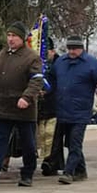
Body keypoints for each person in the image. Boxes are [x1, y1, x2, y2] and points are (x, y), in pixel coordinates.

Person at [0, 21, 44, 188]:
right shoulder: (3, 54)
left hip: (23, 108)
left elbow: (37, 81)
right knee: (0, 140)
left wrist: (26, 98)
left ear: (22, 38)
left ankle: (27, 174)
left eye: (15, 36)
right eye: (9, 35)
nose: (11, 39)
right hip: (2, 105)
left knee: (28, 143)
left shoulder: (32, 57)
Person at [49, 35, 97, 184]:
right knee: (67, 143)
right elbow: (51, 80)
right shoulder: (60, 62)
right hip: (62, 110)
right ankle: (81, 171)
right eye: (69, 48)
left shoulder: (92, 64)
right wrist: (45, 90)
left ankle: (68, 172)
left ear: (81, 49)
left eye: (75, 49)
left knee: (75, 143)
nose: (71, 51)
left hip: (81, 112)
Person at [37, 40, 59, 176]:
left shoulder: (58, 65)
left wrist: (49, 91)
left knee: (51, 134)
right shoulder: (39, 64)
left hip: (55, 105)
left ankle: (50, 160)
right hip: (42, 106)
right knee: (42, 134)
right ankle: (45, 158)